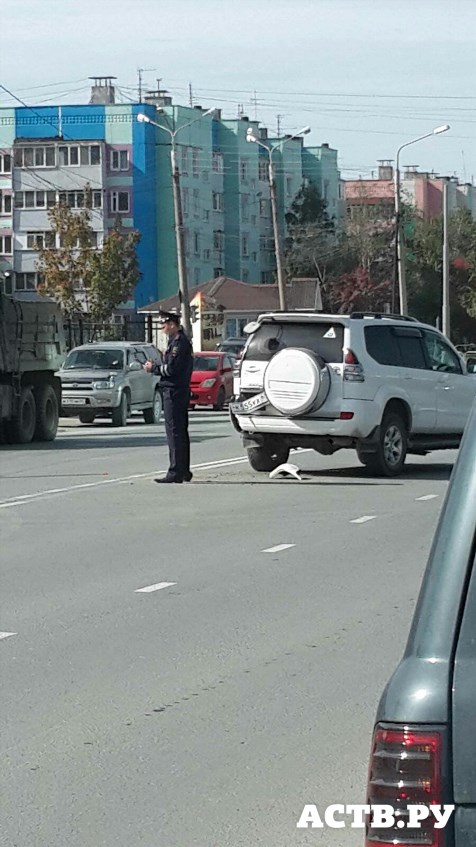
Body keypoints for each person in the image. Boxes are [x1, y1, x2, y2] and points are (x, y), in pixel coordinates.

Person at [144, 310, 193, 484]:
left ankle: (176, 471)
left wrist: (154, 368)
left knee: (174, 432)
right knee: (180, 431)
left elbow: (171, 369)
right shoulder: (176, 342)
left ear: (172, 324)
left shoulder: (179, 343)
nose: (162, 328)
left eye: (164, 324)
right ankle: (184, 470)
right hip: (177, 390)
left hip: (174, 390)